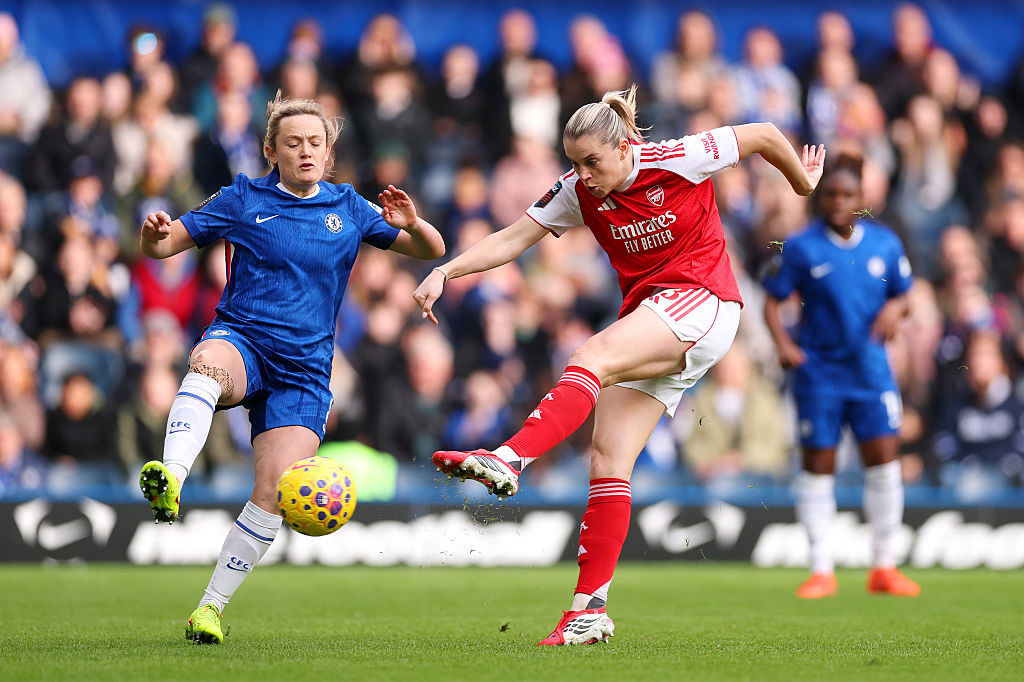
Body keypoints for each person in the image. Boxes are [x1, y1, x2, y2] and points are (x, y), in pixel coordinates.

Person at [414, 84, 826, 645]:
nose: (583, 175)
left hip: (702, 299)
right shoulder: (578, 192)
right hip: (655, 316)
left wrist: (802, 182)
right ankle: (588, 611)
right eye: (575, 163)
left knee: (588, 356)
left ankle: (510, 457)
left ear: (628, 145)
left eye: (592, 162)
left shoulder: (680, 156)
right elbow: (512, 239)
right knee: (608, 460)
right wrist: (446, 272)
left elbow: (759, 134)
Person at [137, 92, 444, 644]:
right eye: (293, 143)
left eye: (315, 143)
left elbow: (431, 249)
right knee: (205, 364)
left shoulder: (349, 207)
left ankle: (208, 609)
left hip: (304, 372)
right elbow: (164, 247)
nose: (305, 151)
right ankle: (171, 479)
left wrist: (414, 225)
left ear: (329, 154)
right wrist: (152, 235)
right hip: (244, 341)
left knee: (274, 492)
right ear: (271, 150)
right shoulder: (242, 198)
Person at [762, 153, 920, 600]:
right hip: (820, 375)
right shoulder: (799, 247)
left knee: (884, 467)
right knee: (818, 470)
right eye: (830, 193)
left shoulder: (886, 245)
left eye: (847, 194)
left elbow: (905, 296)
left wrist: (895, 307)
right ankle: (820, 569)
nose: (838, 201)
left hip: (871, 372)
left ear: (862, 198)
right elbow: (772, 300)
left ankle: (884, 566)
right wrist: (783, 345)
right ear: (819, 197)